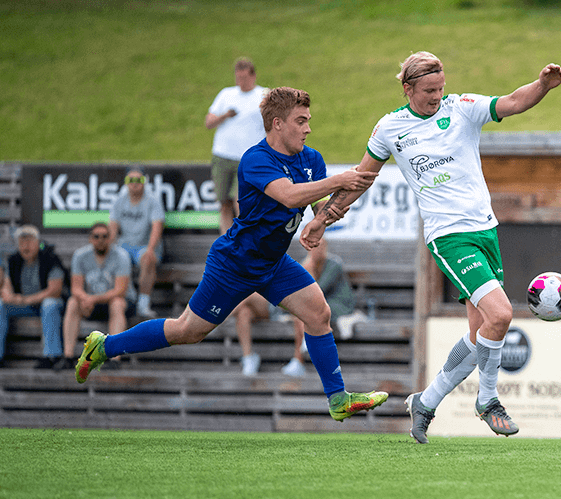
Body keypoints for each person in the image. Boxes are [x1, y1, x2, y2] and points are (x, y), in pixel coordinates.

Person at [73, 86, 386, 424]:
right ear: (277, 124)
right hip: (235, 264)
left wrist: (324, 219)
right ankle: (104, 346)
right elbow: (291, 196)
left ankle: (338, 399)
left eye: (309, 120)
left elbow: (314, 205)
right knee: (187, 331)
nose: (308, 128)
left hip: (273, 263)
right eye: (301, 121)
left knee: (318, 313)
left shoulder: (311, 159)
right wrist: (343, 179)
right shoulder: (256, 159)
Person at [305, 52, 561, 443]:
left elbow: (512, 102)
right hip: (448, 236)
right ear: (407, 88)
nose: (436, 96)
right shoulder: (390, 129)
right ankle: (489, 400)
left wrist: (543, 85)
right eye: (429, 90)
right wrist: (324, 218)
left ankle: (425, 403)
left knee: (481, 335)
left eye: (440, 88)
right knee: (501, 314)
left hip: (486, 231)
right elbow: (362, 179)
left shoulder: (461, 108)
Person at [205, 57, 269, 233]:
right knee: (224, 202)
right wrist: (224, 115)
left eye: (244, 78)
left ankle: (244, 237)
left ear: (253, 76)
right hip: (223, 155)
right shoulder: (226, 94)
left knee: (241, 200)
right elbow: (209, 122)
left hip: (248, 158)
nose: (241, 82)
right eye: (238, 78)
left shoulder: (263, 95)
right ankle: (226, 239)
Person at [280, 238, 357, 378]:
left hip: (339, 306)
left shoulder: (334, 264)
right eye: (315, 247)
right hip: (321, 305)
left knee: (306, 310)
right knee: (301, 312)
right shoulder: (307, 263)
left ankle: (303, 350)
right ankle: (300, 356)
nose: (318, 250)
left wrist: (308, 270)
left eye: (321, 246)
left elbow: (317, 290)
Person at [62, 222, 132, 365]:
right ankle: (68, 356)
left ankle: (115, 359)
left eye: (105, 236)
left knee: (117, 303)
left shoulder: (121, 256)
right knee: (72, 302)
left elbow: (120, 290)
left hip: (117, 302)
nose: (100, 240)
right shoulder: (80, 255)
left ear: (110, 238)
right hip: (90, 302)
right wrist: (85, 299)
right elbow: (76, 288)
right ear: (90, 238)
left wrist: (92, 299)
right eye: (96, 236)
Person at [0, 225, 66, 368]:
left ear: (37, 242)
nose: (25, 246)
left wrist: (27, 300)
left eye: (29, 241)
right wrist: (9, 296)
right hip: (25, 306)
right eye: (22, 242)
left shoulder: (50, 258)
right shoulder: (13, 260)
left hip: (49, 304)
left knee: (50, 304)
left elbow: (55, 290)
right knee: (1, 305)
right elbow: (6, 284)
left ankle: (52, 356)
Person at [108, 165, 166, 318]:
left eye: (138, 179)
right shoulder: (119, 201)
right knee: (115, 257)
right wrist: (109, 249)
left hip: (145, 245)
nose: (135, 183)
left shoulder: (153, 201)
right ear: (126, 182)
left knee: (148, 258)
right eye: (131, 179)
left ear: (145, 181)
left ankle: (143, 303)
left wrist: (150, 249)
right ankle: (126, 299)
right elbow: (112, 228)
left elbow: (157, 227)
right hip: (125, 245)